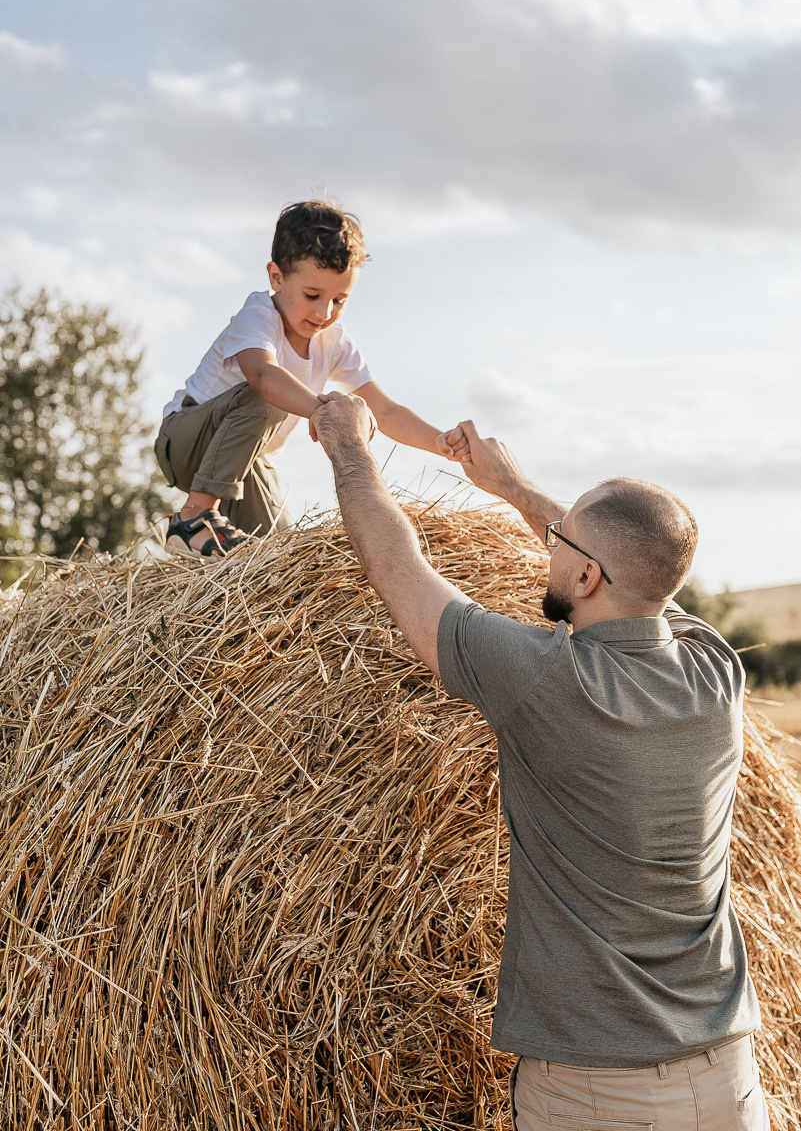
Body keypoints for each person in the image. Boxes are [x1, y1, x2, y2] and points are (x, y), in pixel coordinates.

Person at [309, 391, 769, 1131]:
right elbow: (635, 568)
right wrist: (513, 490)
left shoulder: (544, 680)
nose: (546, 545)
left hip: (597, 1094)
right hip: (728, 1080)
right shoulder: (715, 672)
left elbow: (394, 566)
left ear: (584, 579)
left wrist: (348, 448)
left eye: (559, 541)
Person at [155, 200, 468, 557]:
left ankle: (205, 549)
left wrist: (439, 441)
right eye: (312, 295)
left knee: (282, 554)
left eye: (339, 299)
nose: (324, 312)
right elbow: (262, 376)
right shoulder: (258, 316)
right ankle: (193, 518)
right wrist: (323, 412)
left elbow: (386, 410)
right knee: (270, 394)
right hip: (184, 440)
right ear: (276, 277)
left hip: (243, 463)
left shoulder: (334, 343)